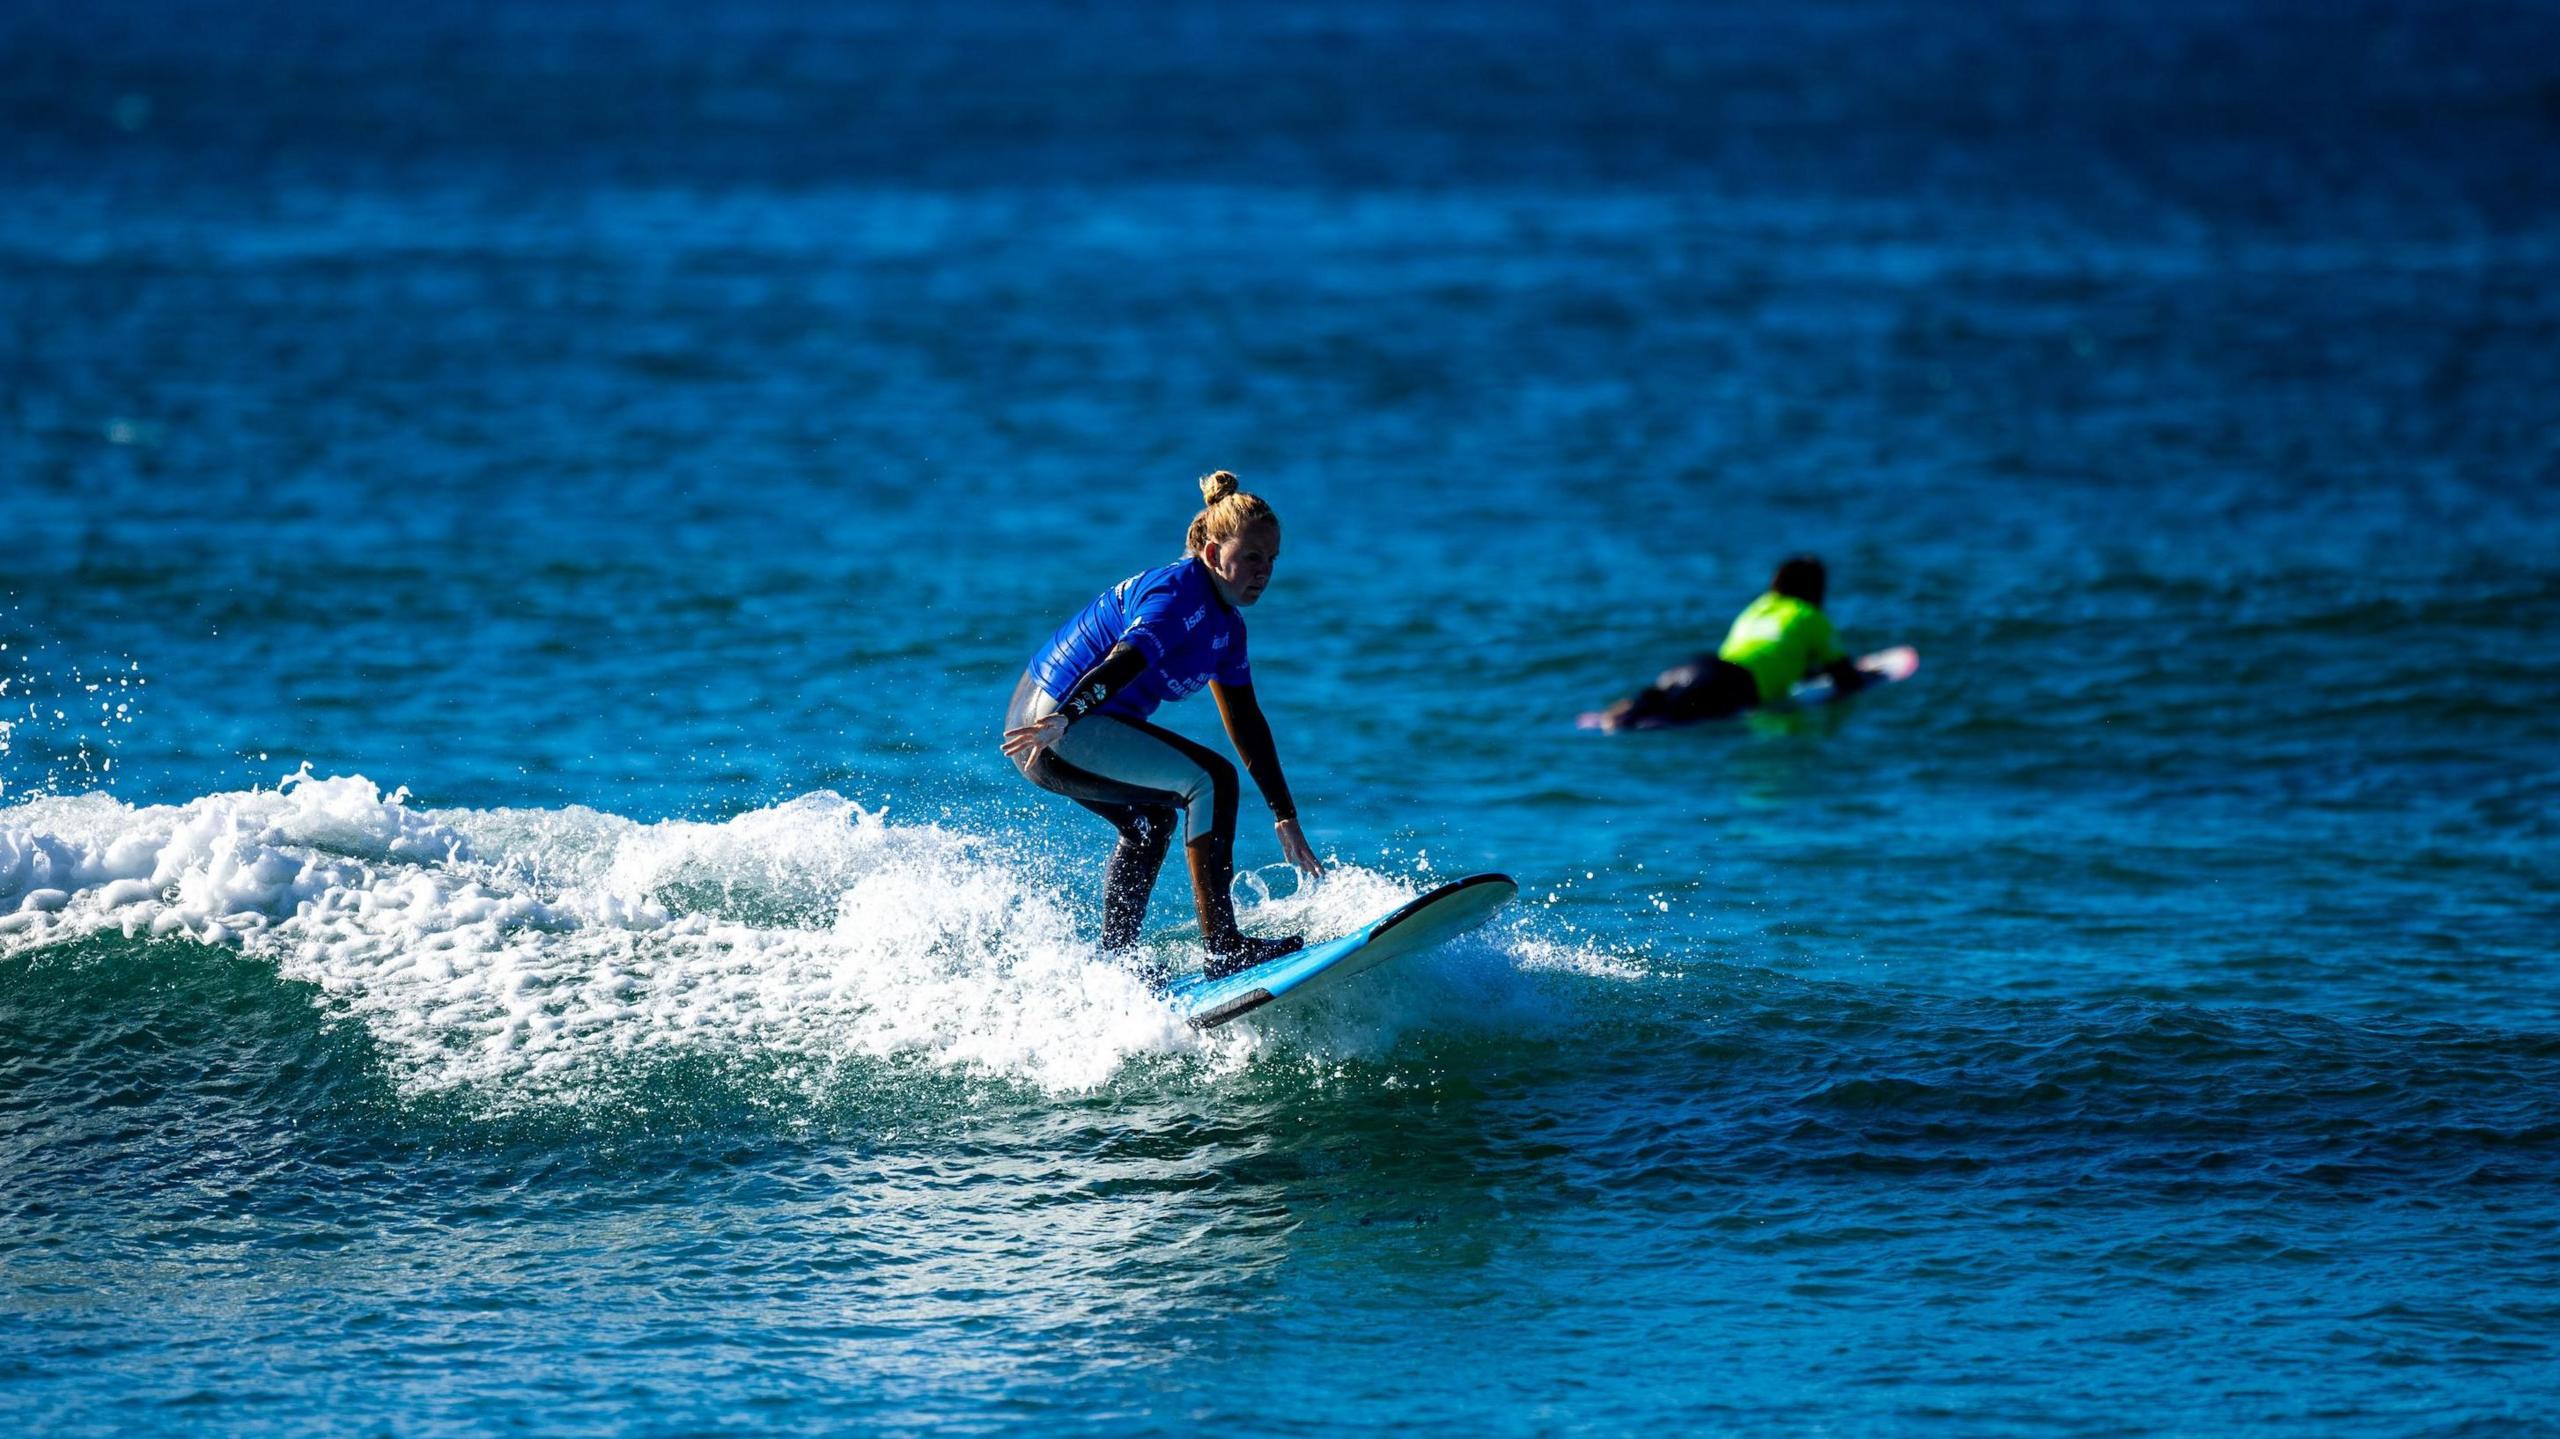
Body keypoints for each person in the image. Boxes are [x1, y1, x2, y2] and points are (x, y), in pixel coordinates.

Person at [1002, 472, 1326, 980]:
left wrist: (1284, 814)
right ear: (1215, 552)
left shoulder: (1227, 628)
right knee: (1211, 780)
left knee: (1152, 822)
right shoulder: (1179, 594)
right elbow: (1126, 658)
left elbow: (1245, 719)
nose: (1263, 572)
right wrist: (1066, 715)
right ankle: (1223, 948)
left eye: (1271, 561)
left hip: (1067, 727)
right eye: (1251, 558)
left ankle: (1117, 965)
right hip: (1055, 726)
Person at [1599, 555, 1868, 730]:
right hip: (1737, 685)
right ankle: (1627, 721)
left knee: (1661, 700)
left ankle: (1623, 712)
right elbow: (1844, 676)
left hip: (1701, 666)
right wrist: (1857, 681)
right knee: (1675, 721)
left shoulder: (1759, 606)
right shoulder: (1811, 617)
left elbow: (1768, 653)